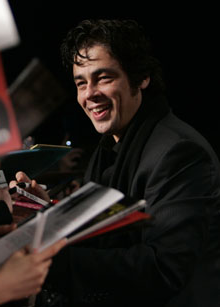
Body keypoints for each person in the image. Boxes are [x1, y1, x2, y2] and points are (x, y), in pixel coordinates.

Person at [13, 19, 220, 307]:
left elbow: (163, 269)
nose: (89, 94)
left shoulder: (180, 152)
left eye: (104, 78)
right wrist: (46, 213)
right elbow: (101, 231)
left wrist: (45, 261)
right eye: (81, 83)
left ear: (141, 77)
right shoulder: (110, 146)